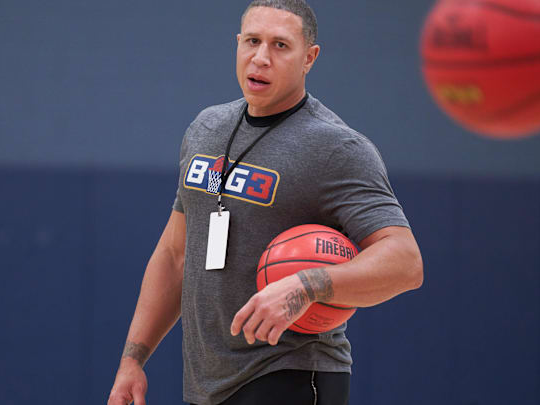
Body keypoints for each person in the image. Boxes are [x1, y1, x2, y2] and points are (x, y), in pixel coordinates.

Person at [107, 0, 423, 404]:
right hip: (206, 382)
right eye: (252, 41)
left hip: (290, 372)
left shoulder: (337, 147)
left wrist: (308, 284)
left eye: (280, 45)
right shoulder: (206, 129)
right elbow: (174, 255)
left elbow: (406, 262)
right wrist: (133, 359)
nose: (261, 58)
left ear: (310, 58)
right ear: (238, 44)